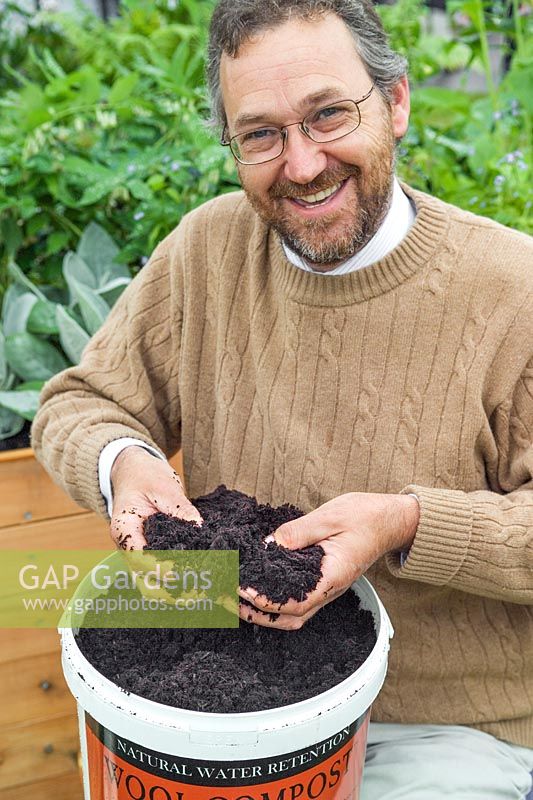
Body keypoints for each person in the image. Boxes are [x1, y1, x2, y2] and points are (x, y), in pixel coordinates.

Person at [32, 0, 533, 797]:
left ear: (395, 102)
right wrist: (127, 466)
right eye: (260, 134)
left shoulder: (513, 291)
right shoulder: (206, 250)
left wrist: (404, 523)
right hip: (221, 684)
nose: (301, 165)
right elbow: (79, 402)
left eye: (328, 115)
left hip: (439, 722)